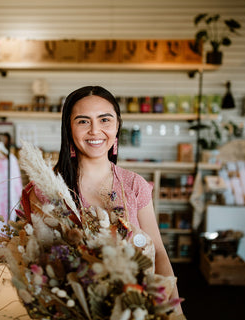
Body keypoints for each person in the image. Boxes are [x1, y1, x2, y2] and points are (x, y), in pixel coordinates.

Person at [53, 85, 184, 315]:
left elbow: (159, 252)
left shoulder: (134, 185)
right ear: (69, 128)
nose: (95, 130)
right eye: (83, 121)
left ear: (117, 126)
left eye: (105, 120)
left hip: (133, 309)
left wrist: (175, 311)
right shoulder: (51, 189)